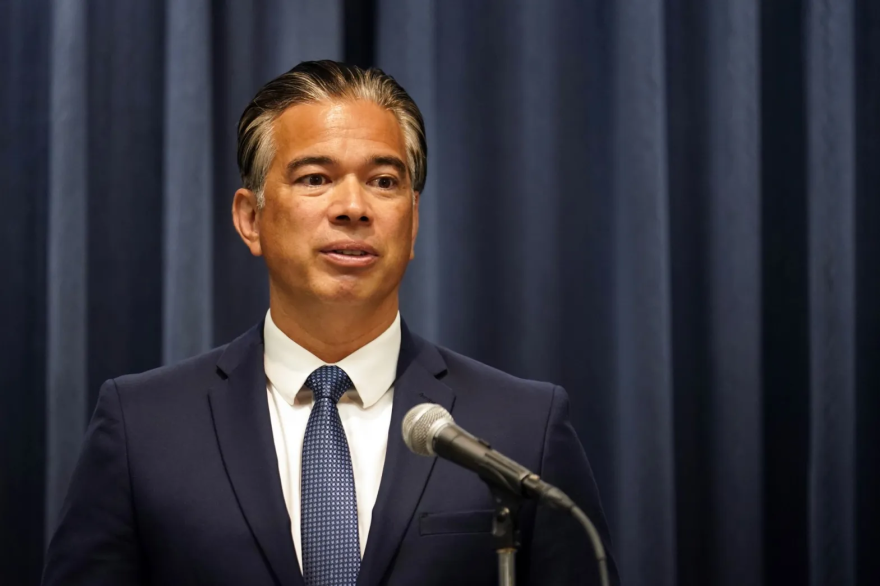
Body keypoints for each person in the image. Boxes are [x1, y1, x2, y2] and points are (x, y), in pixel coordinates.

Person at [42, 60, 619, 586]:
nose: (353, 207)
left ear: (412, 223)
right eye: (315, 178)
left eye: (384, 181)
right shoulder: (143, 425)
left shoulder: (524, 427)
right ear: (250, 219)